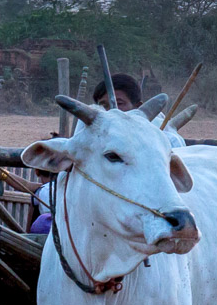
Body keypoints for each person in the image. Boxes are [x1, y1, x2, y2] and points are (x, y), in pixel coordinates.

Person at [32, 72, 146, 233]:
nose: (111, 112)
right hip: (88, 219)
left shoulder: (155, 141)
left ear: (138, 107)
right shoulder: (90, 133)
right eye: (103, 105)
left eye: (119, 104)